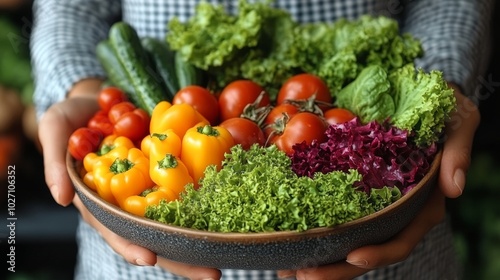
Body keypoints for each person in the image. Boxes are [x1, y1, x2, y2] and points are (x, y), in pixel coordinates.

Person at [30, 0, 494, 279]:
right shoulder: (199, 122)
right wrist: (83, 91)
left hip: (385, 261)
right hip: (139, 251)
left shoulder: (290, 118)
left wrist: (439, 84)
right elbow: (70, 6)